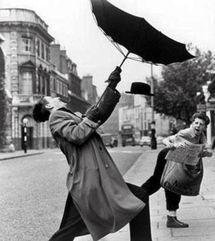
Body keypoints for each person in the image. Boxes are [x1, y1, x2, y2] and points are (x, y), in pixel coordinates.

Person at [32, 66, 152, 241]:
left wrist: (111, 86)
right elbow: (77, 135)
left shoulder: (68, 115)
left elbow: (97, 113)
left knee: (140, 197)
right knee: (66, 232)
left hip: (92, 180)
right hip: (89, 182)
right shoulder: (56, 118)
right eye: (53, 98)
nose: (57, 97)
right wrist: (91, 117)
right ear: (49, 105)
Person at [141, 112, 212, 228]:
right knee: (169, 184)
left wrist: (206, 154)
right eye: (196, 123)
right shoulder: (187, 132)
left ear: (205, 127)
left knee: (170, 184)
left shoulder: (202, 137)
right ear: (192, 123)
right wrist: (169, 144)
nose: (198, 126)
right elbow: (167, 140)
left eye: (201, 124)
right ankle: (137, 198)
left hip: (180, 160)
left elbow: (198, 152)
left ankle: (138, 198)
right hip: (168, 156)